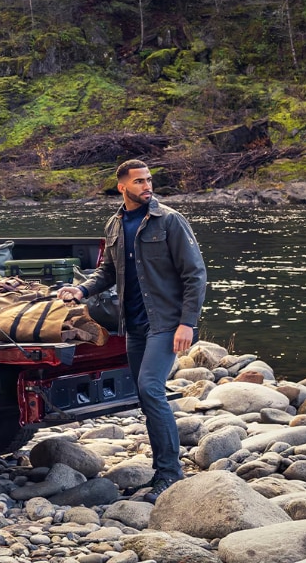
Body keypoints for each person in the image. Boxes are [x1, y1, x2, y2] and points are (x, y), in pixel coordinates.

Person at [58, 159, 207, 502]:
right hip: (134, 325)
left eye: (149, 180)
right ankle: (161, 470)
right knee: (144, 396)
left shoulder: (169, 220)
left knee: (150, 389)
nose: (147, 186)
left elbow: (194, 274)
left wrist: (188, 323)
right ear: (122, 186)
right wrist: (81, 291)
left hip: (166, 324)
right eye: (139, 181)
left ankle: (171, 473)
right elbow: (106, 271)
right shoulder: (115, 224)